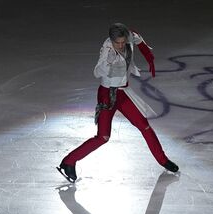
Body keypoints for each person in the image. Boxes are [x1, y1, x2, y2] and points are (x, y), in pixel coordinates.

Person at [57, 22, 179, 182]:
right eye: (117, 43)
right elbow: (97, 71)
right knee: (103, 137)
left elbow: (138, 39)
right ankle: (69, 161)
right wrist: (108, 64)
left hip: (123, 93)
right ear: (111, 40)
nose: (121, 46)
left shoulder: (129, 37)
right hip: (107, 95)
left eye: (123, 42)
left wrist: (149, 57)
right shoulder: (107, 51)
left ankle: (163, 160)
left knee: (145, 125)